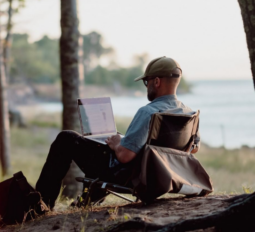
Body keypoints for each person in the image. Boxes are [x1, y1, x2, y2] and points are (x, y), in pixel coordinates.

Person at [36, 56, 200, 208]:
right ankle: (87, 201)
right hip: (162, 177)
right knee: (112, 140)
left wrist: (116, 145)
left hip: (131, 177)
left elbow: (124, 156)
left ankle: (41, 205)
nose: (146, 86)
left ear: (156, 81)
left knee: (67, 138)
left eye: (146, 82)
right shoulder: (189, 114)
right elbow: (193, 149)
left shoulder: (149, 112)